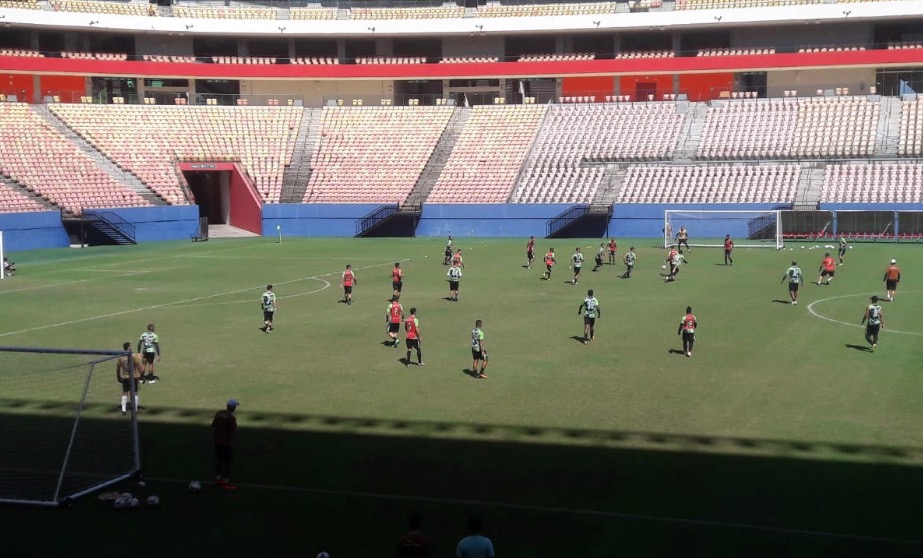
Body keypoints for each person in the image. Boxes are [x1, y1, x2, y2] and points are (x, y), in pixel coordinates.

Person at [211, 398, 239, 490]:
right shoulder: (231, 418)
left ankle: (218, 478)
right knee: (228, 461)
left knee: (219, 460)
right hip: (226, 443)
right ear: (233, 407)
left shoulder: (218, 414)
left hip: (217, 441)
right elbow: (234, 431)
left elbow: (213, 426)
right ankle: (225, 481)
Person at [115, 342, 144, 416]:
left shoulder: (120, 357)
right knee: (135, 393)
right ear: (129, 347)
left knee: (125, 392)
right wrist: (142, 375)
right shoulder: (133, 356)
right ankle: (135, 410)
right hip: (133, 377)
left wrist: (118, 377)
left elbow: (118, 369)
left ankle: (123, 410)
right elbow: (138, 366)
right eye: (130, 346)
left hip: (125, 377)